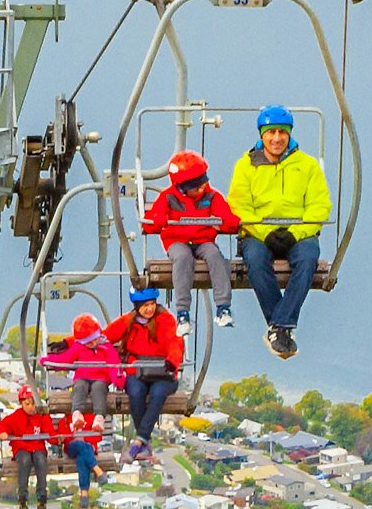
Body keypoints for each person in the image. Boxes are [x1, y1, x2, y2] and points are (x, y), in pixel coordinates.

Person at [229, 104, 331, 361]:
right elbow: (240, 206)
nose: (276, 138)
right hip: (259, 233)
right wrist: (264, 233)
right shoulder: (246, 166)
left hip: (297, 232)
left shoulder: (306, 166)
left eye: (282, 132)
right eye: (271, 132)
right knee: (254, 259)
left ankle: (279, 326)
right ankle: (283, 326)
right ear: (262, 135)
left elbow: (319, 205)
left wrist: (297, 233)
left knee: (308, 259)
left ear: (290, 134)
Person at [141, 148, 243, 325]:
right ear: (182, 188)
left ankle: (223, 306)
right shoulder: (168, 198)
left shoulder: (211, 196)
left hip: (203, 240)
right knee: (182, 258)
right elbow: (150, 223)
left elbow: (226, 217)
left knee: (215, 256)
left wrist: (229, 222)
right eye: (196, 186)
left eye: (203, 182)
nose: (202, 188)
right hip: (177, 241)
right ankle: (183, 310)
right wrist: (159, 221)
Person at [102, 284, 184, 456]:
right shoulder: (128, 322)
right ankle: (143, 442)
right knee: (136, 392)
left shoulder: (166, 321)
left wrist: (172, 361)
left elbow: (175, 343)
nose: (149, 309)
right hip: (137, 372)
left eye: (152, 304)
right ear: (137, 307)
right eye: (145, 305)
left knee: (158, 392)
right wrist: (68, 343)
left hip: (162, 373)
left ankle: (140, 440)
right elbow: (99, 337)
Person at [41, 310, 124, 418]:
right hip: (83, 376)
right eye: (89, 342)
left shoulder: (106, 348)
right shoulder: (78, 347)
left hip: (101, 377)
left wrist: (118, 380)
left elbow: (114, 364)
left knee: (98, 388)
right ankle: (77, 412)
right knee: (79, 386)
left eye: (95, 339)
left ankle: (99, 415)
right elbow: (66, 359)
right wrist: (49, 361)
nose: (94, 343)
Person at [0, 386, 57, 509]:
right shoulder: (16, 417)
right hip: (21, 448)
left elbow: (50, 434)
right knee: (25, 460)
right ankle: (22, 496)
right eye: (27, 404)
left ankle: (42, 496)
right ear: (22, 404)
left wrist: (57, 439)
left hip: (37, 447)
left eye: (33, 404)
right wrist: (2, 433)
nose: (31, 407)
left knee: (41, 460)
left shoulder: (42, 416)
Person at [60, 397, 105, 499]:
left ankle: (84, 492)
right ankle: (97, 470)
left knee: (81, 458)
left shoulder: (89, 417)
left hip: (88, 447)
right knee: (80, 445)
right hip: (72, 447)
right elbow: (64, 439)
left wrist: (85, 438)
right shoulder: (65, 420)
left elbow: (98, 436)